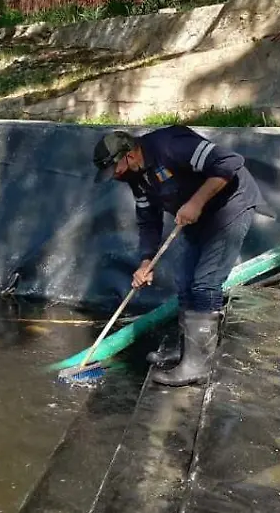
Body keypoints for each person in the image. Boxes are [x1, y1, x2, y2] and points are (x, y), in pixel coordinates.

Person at [92, 126, 267, 387]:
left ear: (129, 155)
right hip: (197, 216)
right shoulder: (134, 176)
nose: (115, 176)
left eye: (115, 168)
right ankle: (188, 350)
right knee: (184, 280)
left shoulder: (170, 145)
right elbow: (148, 220)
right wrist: (145, 262)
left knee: (205, 283)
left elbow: (229, 162)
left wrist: (196, 202)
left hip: (230, 207)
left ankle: (198, 366)